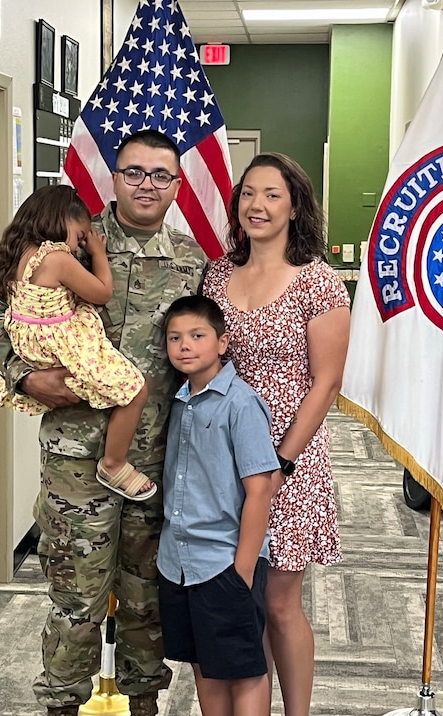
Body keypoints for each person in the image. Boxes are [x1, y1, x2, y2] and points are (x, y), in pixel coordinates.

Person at [0, 130, 207, 716]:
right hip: (76, 460)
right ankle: (60, 703)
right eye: (134, 172)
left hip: (154, 459)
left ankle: (144, 702)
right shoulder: (71, 241)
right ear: (113, 177)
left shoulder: (193, 263)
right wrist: (24, 376)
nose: (147, 185)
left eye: (161, 175)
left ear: (178, 185)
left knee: (143, 594)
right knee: (75, 596)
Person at [202, 153, 350, 716]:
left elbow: (327, 381)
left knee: (281, 601)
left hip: (291, 459)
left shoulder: (317, 280)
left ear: (294, 207)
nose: (257, 206)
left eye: (272, 195)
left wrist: (280, 460)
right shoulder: (218, 273)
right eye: (248, 194)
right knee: (242, 599)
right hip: (223, 454)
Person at [0, 184, 155, 500]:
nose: (80, 245)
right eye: (79, 236)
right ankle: (114, 464)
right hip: (62, 343)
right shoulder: (57, 258)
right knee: (136, 389)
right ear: (61, 220)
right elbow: (102, 293)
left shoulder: (17, 254)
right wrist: (98, 253)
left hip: (33, 345)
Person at [158, 295, 280, 716]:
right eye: (175, 338)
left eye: (197, 335)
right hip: (178, 563)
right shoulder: (176, 402)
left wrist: (242, 571)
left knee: (244, 670)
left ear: (223, 343)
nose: (185, 346)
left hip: (224, 563)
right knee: (204, 668)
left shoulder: (240, 404)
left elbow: (261, 491)